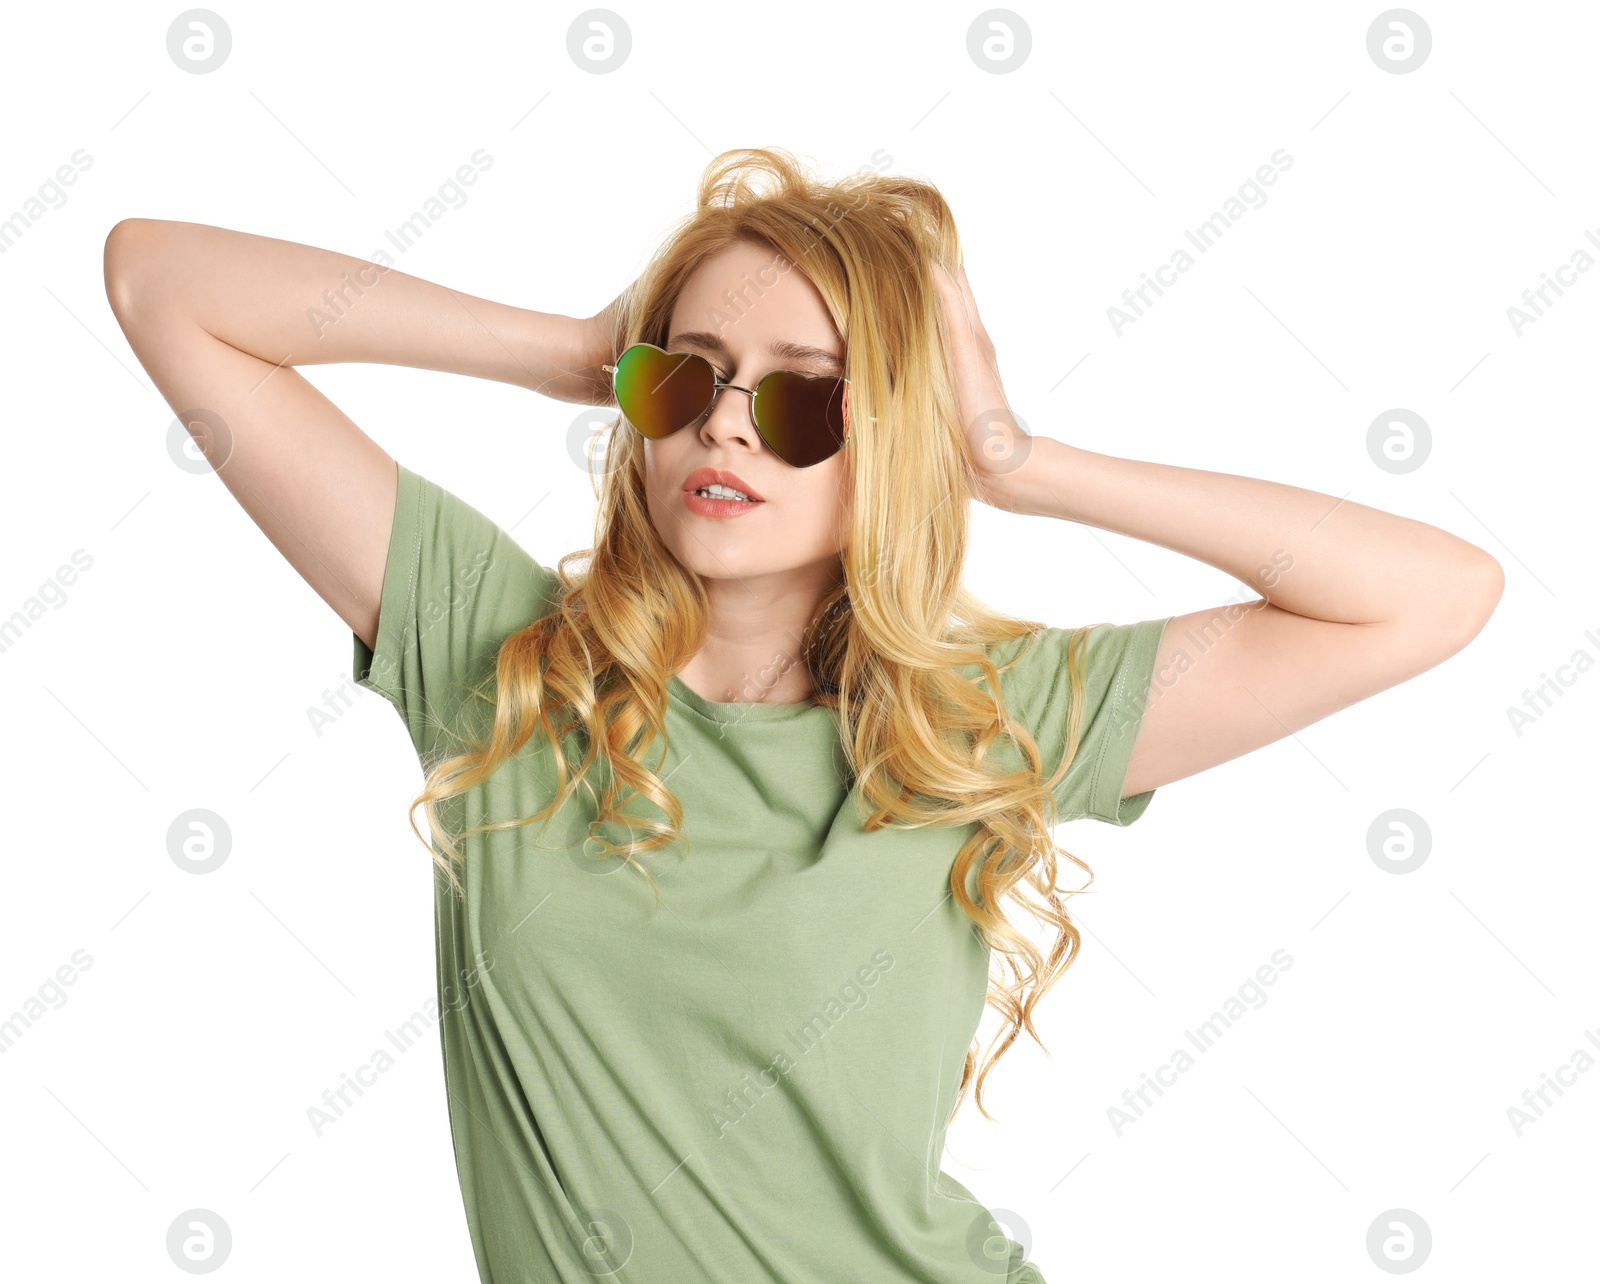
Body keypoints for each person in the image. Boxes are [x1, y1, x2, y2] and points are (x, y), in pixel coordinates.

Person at [102, 146, 1502, 1284]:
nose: (725, 426)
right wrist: (582, 350)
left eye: (804, 401)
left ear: (890, 433)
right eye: (689, 377)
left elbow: (1431, 595)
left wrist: (1015, 459)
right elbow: (161, 280)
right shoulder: (501, 658)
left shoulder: (976, 726)